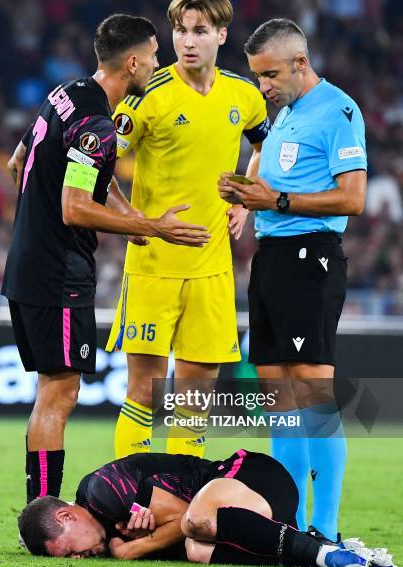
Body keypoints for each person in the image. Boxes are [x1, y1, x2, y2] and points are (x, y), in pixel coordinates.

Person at [1, 14, 210, 505]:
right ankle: (48, 511)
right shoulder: (97, 122)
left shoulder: (67, 94)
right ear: (133, 62)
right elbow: (74, 208)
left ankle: (40, 507)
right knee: (60, 395)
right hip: (58, 276)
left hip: (26, 264)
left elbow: (18, 162)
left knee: (49, 394)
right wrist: (151, 226)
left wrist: (128, 213)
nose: (159, 63)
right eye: (155, 55)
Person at [219, 19, 367, 542]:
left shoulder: (338, 110)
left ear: (300, 63)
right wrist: (245, 192)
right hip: (272, 257)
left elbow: (352, 199)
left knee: (312, 390)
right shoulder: (285, 115)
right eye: (258, 76)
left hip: (312, 257)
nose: (264, 85)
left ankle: (323, 527)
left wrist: (275, 201)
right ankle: (290, 520)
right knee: (277, 395)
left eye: (270, 74)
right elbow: (278, 182)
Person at [105, 0, 269, 459]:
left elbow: (263, 144)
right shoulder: (147, 95)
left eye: (199, 30)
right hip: (154, 267)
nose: (187, 41)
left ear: (221, 34)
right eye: (179, 30)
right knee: (144, 389)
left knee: (195, 396)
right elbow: (99, 164)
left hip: (212, 269)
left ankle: (177, 506)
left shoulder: (243, 94)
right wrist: (132, 221)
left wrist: (244, 196)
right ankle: (128, 498)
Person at [18, 450, 395, 567]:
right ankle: (319, 551)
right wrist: (153, 535)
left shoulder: (100, 492)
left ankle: (322, 550)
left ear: (66, 516)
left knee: (198, 524)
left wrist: (136, 547)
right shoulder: (110, 525)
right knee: (198, 551)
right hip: (256, 512)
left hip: (252, 476)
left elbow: (186, 516)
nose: (81, 558)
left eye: (71, 550)